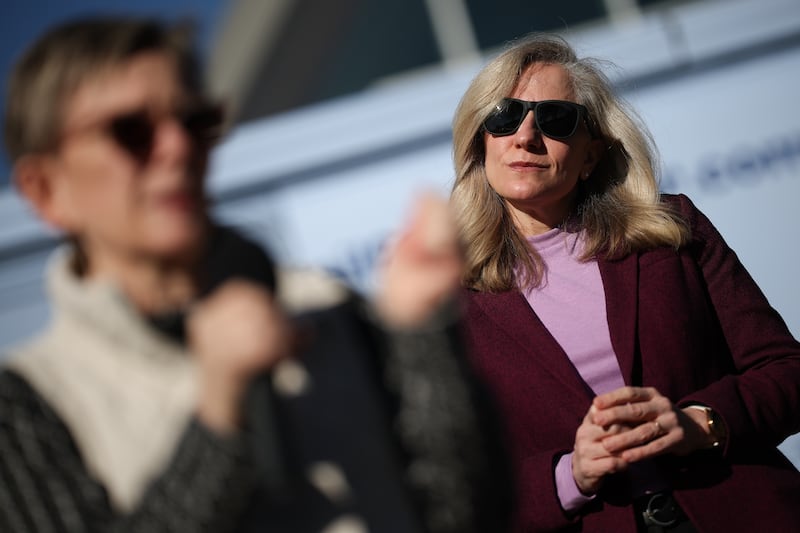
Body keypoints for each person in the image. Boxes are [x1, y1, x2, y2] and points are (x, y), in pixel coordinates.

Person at [0, 17, 510, 533]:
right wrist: (218, 419)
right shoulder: (25, 403)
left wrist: (423, 334)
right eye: (130, 131)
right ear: (47, 190)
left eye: (195, 121)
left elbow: (468, 512)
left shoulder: (327, 306)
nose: (176, 148)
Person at [449, 33, 800, 532]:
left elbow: (786, 371)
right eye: (504, 117)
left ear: (591, 155)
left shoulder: (673, 230)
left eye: (555, 119)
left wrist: (697, 423)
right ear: (480, 142)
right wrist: (572, 474)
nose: (525, 136)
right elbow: (458, 489)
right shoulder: (449, 306)